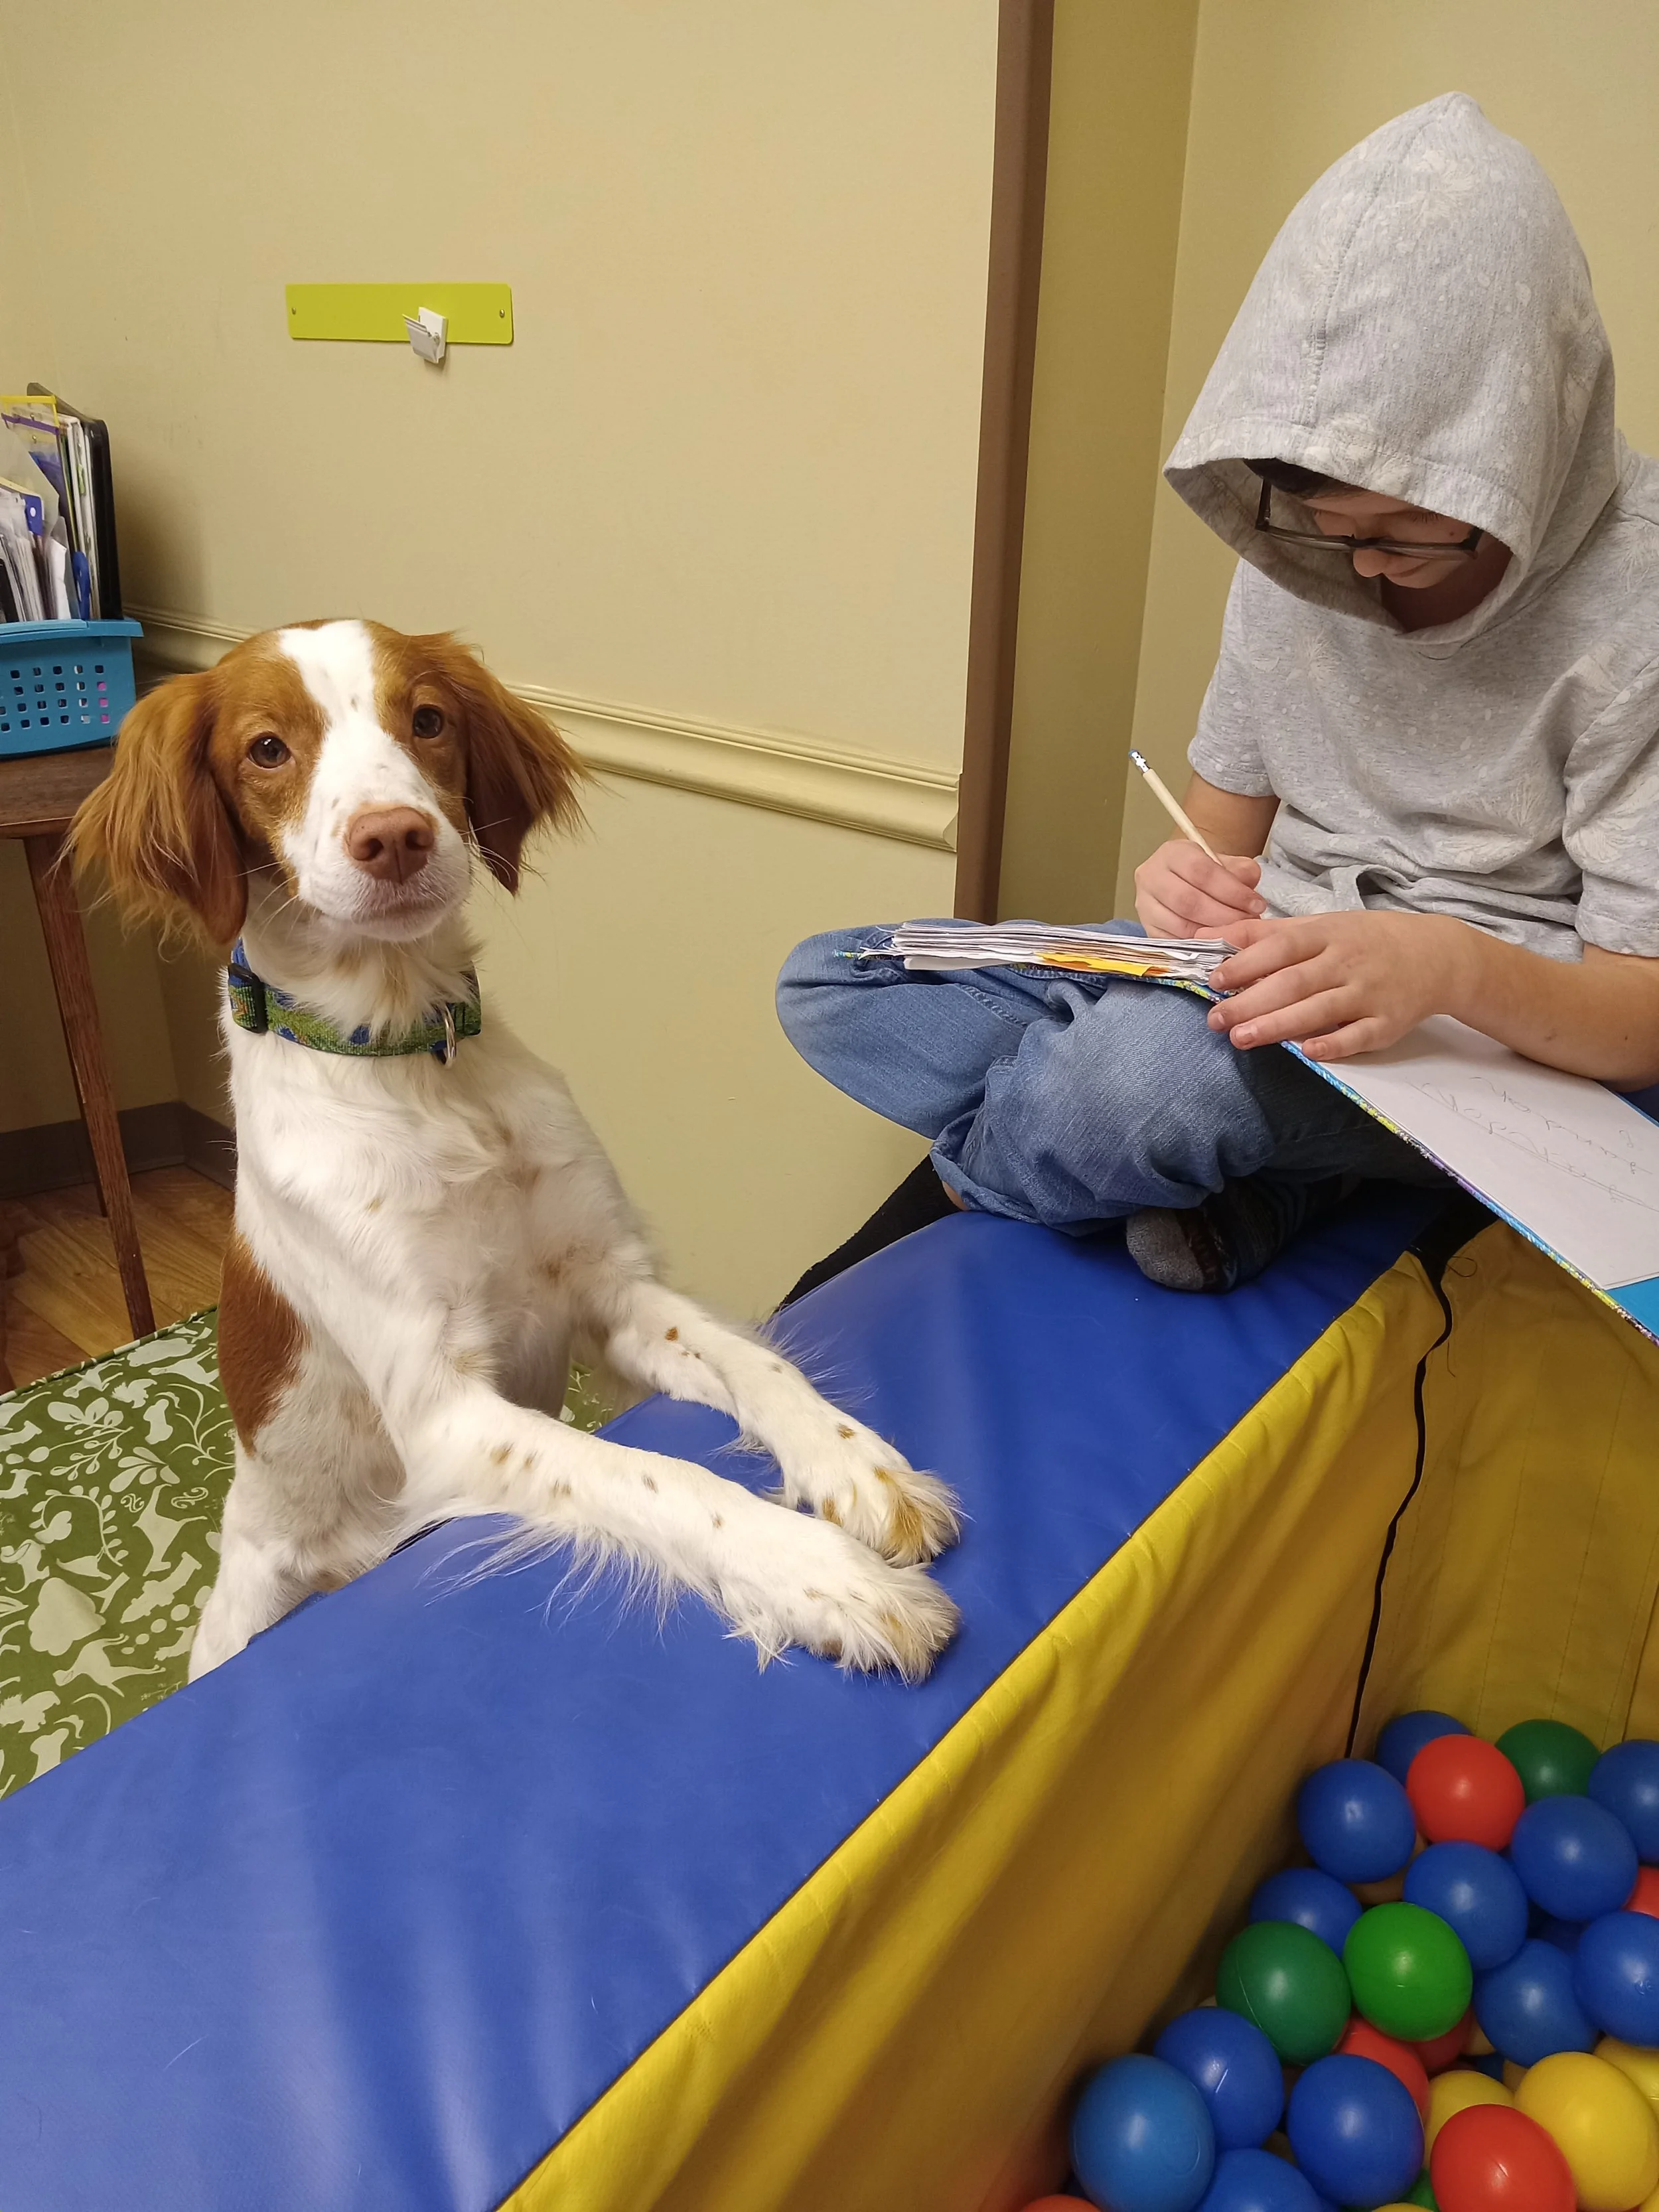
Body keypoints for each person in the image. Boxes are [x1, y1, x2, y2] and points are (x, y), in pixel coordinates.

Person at [776, 94, 1659, 1299]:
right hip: (1262, 981)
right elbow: (1214, 847)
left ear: (1530, 457)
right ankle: (1246, 1171)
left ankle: (1025, 1165)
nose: (1364, 569)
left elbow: (1637, 1025)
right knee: (838, 982)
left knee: (1137, 1089)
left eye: (1411, 532)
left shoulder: (1638, 605)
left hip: (1485, 1042)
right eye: (1334, 529)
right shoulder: (1299, 561)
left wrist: (1444, 968)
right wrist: (1176, 885)